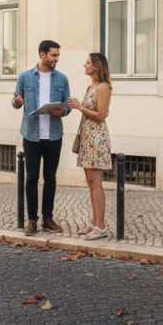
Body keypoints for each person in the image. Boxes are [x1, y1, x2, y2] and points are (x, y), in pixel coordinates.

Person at [12, 40, 71, 236]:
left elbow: (68, 106)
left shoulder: (62, 79)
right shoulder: (25, 77)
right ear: (43, 55)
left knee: (50, 178)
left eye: (58, 56)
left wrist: (62, 112)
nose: (56, 59)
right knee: (31, 178)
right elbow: (15, 101)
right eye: (54, 55)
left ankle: (47, 218)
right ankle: (32, 220)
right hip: (31, 135)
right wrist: (18, 101)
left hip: (54, 135)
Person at [68, 53, 113, 241]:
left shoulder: (103, 88)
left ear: (96, 66)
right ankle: (94, 223)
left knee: (96, 183)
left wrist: (79, 107)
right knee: (90, 182)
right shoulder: (91, 87)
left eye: (87, 62)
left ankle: (100, 227)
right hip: (87, 137)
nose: (84, 65)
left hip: (96, 138)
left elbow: (101, 115)